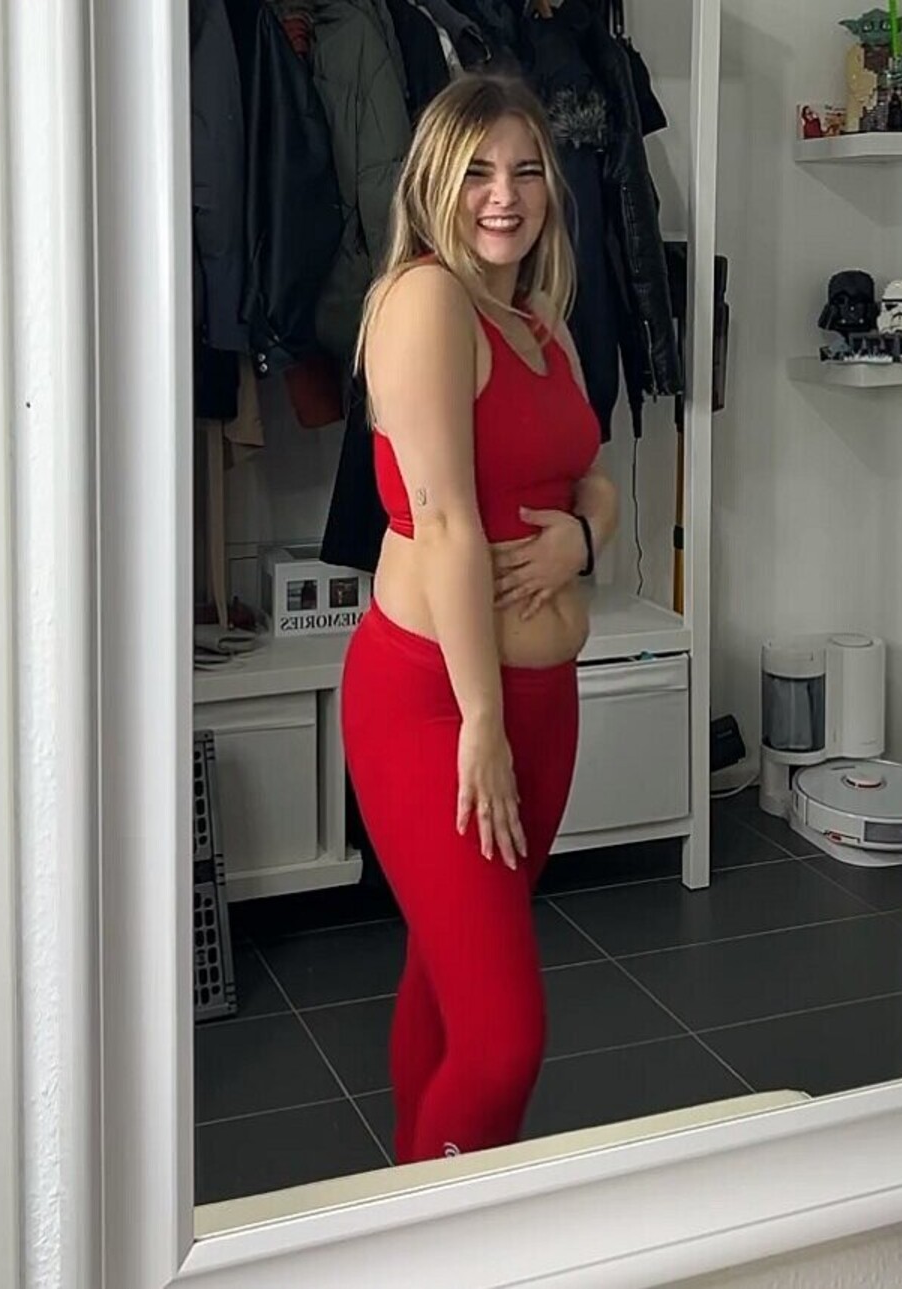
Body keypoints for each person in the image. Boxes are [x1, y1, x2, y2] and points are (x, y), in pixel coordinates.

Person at [340, 73, 619, 1165]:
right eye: (478, 172)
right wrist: (483, 722)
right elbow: (448, 520)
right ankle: (443, 1234)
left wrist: (581, 539)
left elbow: (596, 480)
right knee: (504, 1041)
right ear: (433, 183)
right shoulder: (426, 302)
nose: (505, 195)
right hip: (440, 707)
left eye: (527, 170)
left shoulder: (540, 322)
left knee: (447, 982)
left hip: (542, 703)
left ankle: (415, 1197)